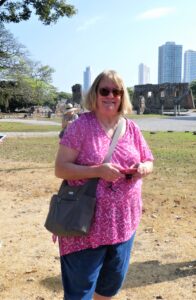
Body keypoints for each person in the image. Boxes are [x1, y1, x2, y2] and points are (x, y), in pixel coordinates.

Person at [54, 70, 154, 300]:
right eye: (105, 90)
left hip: (123, 225)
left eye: (116, 91)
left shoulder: (131, 128)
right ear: (95, 94)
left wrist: (144, 168)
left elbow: (149, 159)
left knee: (108, 290)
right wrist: (97, 171)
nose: (111, 96)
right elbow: (61, 168)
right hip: (85, 227)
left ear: (122, 96)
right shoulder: (81, 127)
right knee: (79, 293)